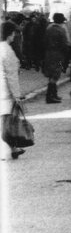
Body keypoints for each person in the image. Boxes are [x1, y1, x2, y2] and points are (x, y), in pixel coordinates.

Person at [0, 22, 25, 159]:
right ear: (10, 34)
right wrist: (17, 95)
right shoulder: (7, 51)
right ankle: (11, 148)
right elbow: (11, 76)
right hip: (4, 91)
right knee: (6, 122)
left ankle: (13, 148)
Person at [42, 13, 69, 104]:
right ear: (61, 21)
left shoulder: (48, 29)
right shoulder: (61, 30)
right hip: (58, 55)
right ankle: (50, 96)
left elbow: (44, 41)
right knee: (56, 74)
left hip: (48, 54)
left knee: (51, 74)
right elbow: (65, 44)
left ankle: (53, 94)